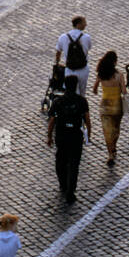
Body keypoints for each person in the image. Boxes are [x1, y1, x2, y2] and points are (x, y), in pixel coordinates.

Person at [47, 73, 91, 204]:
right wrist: (88, 136)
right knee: (74, 164)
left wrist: (49, 136)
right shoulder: (82, 101)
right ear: (76, 85)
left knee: (60, 161)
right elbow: (87, 120)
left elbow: (52, 121)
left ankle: (63, 184)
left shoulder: (58, 101)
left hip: (62, 135)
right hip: (75, 136)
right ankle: (71, 191)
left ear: (65, 85)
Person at [92, 50, 126, 168]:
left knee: (107, 131)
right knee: (116, 129)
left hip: (105, 105)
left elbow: (94, 89)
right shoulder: (119, 75)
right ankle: (113, 147)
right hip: (117, 105)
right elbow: (124, 91)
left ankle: (110, 153)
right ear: (115, 62)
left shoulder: (101, 74)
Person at [55, 16, 91, 96]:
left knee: (70, 91)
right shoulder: (86, 37)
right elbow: (88, 49)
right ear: (78, 24)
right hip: (82, 69)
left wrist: (57, 63)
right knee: (82, 92)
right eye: (84, 22)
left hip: (70, 70)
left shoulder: (63, 37)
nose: (86, 24)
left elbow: (58, 52)